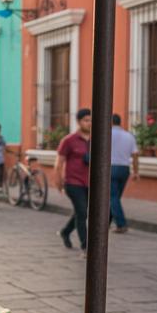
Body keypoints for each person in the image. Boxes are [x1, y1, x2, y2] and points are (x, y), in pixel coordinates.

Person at [55, 108, 92, 253]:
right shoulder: (69, 140)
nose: (89, 123)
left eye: (91, 120)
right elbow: (59, 163)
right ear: (79, 122)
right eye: (86, 120)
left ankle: (65, 231)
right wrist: (58, 182)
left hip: (89, 183)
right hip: (73, 183)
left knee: (80, 212)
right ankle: (86, 246)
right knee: (82, 212)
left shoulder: (96, 140)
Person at [110, 114, 139, 233]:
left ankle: (121, 224)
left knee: (112, 197)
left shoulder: (106, 134)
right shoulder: (129, 136)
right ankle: (108, 222)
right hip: (124, 169)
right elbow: (135, 155)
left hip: (110, 168)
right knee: (115, 197)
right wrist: (136, 172)